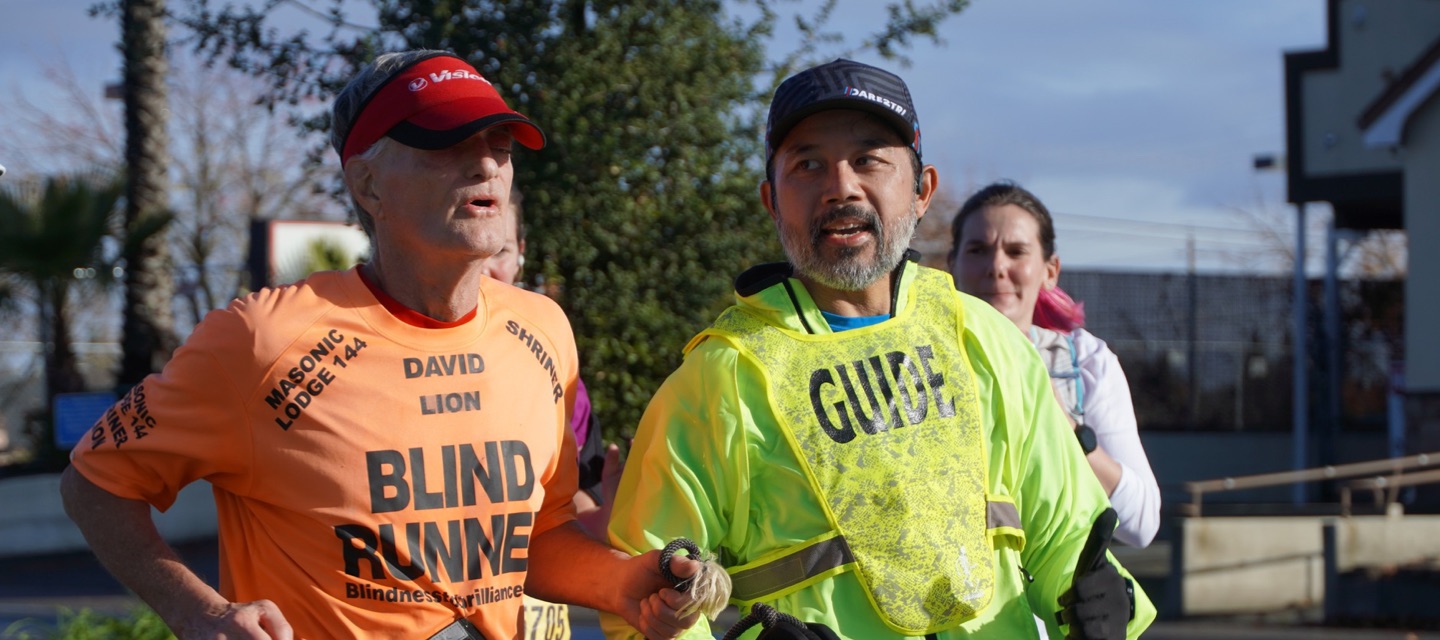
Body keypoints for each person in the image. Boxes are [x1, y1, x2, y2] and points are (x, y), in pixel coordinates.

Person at [59, 49, 699, 640]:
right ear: (368, 186)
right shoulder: (263, 340)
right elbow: (94, 483)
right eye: (447, 144)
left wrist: (623, 584)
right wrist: (197, 610)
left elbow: (537, 537)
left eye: (499, 144)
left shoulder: (542, 328)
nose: (486, 164)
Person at [602, 59, 1155, 639]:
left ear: (922, 191)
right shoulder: (721, 380)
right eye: (808, 164)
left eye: (869, 159)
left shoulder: (984, 342)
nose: (841, 186)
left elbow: (1071, 538)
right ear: (771, 200)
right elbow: (643, 597)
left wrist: (1103, 616)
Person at [946, 182, 1161, 549]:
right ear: (952, 265)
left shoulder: (1085, 363)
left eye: (1016, 251)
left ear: (1050, 270)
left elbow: (1141, 525)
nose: (996, 266)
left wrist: (1070, 432)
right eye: (978, 250)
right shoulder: (914, 359)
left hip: (1051, 605)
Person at [482, 187, 627, 639]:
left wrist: (606, 524)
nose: (486, 269)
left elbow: (570, 504)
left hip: (542, 621)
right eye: (475, 250)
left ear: (522, 252)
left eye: (500, 251)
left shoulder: (550, 355)